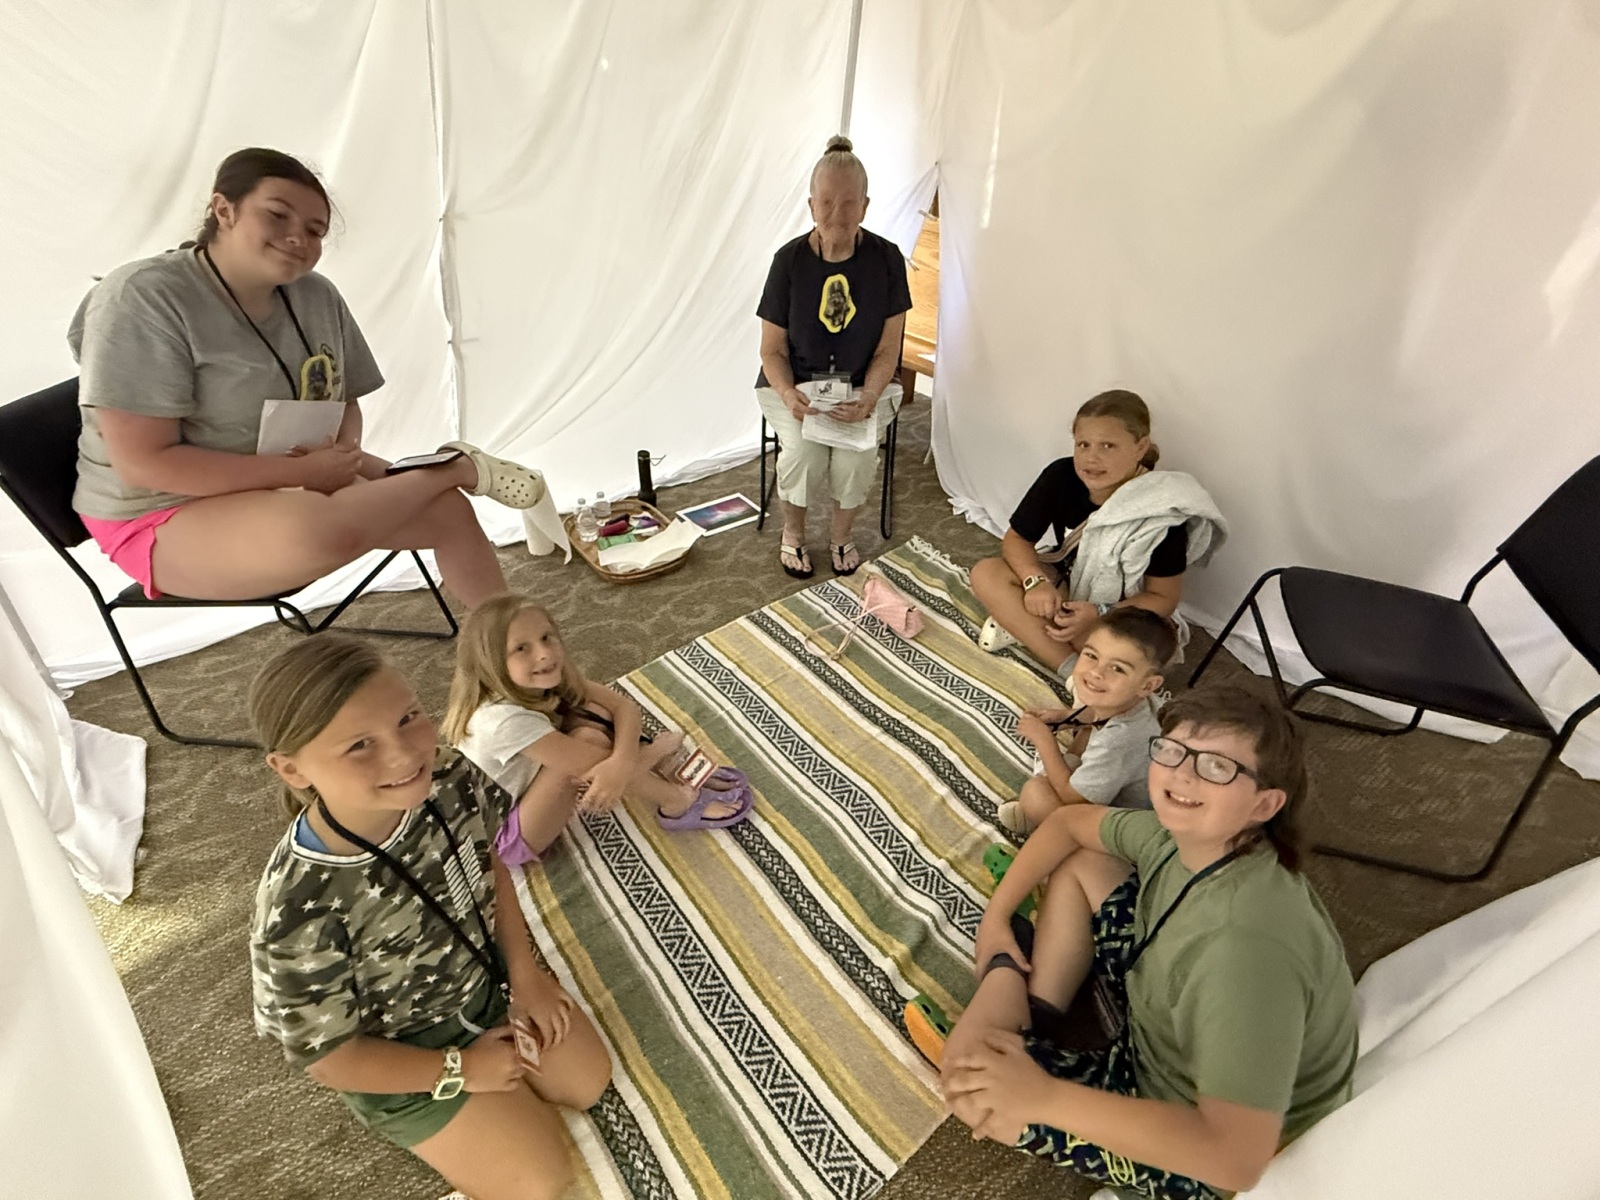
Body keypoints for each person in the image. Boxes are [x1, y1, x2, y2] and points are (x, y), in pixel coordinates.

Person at [915, 686, 1357, 1199]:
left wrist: (1042, 1096)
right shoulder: (1195, 839)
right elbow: (1068, 823)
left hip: (1193, 1142)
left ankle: (1008, 975)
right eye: (1172, 751)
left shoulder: (1243, 952)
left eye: (1216, 767)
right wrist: (994, 918)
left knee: (972, 1086)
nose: (1183, 775)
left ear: (1264, 803)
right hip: (1167, 1020)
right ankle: (1033, 1008)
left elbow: (1235, 1162)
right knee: (1085, 861)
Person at [70, 147, 543, 608]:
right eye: (277, 215)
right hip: (160, 510)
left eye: (315, 231)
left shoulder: (316, 295)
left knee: (448, 510)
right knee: (319, 530)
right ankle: (456, 467)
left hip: (285, 477)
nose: (298, 238)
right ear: (224, 210)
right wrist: (305, 474)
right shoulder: (142, 297)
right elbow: (145, 464)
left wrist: (338, 456)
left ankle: (511, 650)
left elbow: (344, 400)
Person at [248, 634, 612, 1200]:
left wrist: (525, 976)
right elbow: (330, 1059)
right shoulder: (296, 912)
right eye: (359, 745)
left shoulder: (447, 774)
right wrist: (460, 1070)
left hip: (483, 983)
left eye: (408, 718)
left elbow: (489, 863)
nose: (404, 755)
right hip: (399, 1048)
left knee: (589, 1082)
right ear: (291, 769)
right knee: (541, 1182)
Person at [442, 594, 755, 857]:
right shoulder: (502, 721)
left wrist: (621, 761)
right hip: (502, 838)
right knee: (590, 748)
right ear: (492, 662)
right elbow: (596, 766)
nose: (544, 653)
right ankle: (676, 802)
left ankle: (651, 761)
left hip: (513, 792)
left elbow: (623, 707)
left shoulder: (541, 676)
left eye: (547, 637)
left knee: (591, 713)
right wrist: (649, 757)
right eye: (521, 648)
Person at [970, 390, 1225, 674]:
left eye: (1108, 446)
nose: (1091, 458)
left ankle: (1025, 628)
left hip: (1122, 609)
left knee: (1120, 649)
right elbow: (1017, 539)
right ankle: (1071, 670)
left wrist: (1099, 612)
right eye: (1083, 445)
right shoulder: (1060, 476)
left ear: (1140, 447)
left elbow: (1162, 599)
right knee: (987, 573)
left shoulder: (1160, 511)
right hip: (1067, 583)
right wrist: (1034, 582)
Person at [755, 135, 912, 579]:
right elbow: (771, 350)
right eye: (826, 203)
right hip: (794, 386)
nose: (836, 214)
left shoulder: (887, 259)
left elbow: (888, 349)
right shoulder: (787, 261)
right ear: (811, 205)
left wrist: (868, 397)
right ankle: (793, 534)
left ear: (865, 206)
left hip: (866, 384)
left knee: (855, 455)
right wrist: (789, 394)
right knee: (803, 452)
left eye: (848, 203)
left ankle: (841, 536)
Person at [998, 607, 1175, 837]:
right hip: (1139, 789)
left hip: (1133, 828)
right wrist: (1065, 718)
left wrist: (1044, 741)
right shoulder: (1136, 705)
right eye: (1091, 656)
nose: (1096, 672)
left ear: (1148, 685)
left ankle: (1060, 838)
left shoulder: (1120, 739)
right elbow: (1097, 716)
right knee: (1087, 730)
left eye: (1117, 669)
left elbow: (1073, 797)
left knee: (1035, 793)